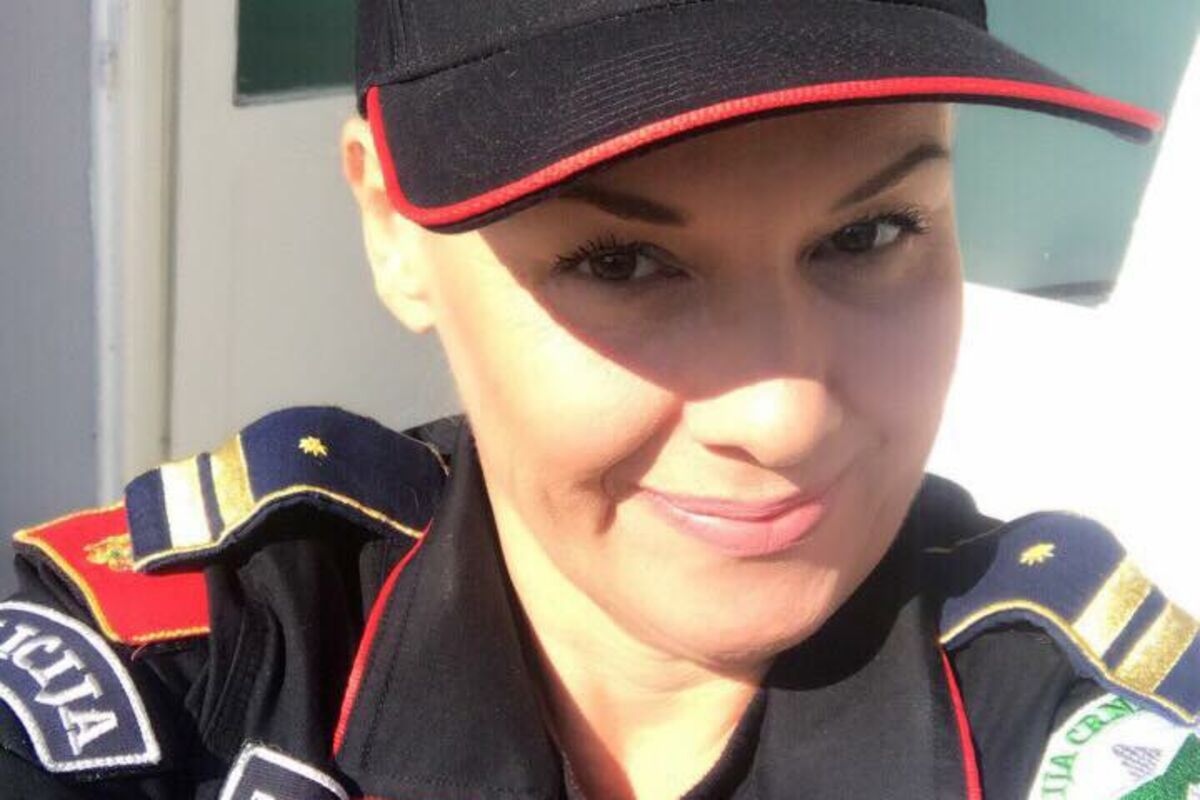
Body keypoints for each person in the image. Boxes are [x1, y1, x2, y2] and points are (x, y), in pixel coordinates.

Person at [0, 1, 1190, 798]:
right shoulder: (202, 658)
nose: (783, 420)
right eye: (622, 262)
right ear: (393, 231)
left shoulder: (1074, 726)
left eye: (871, 233)